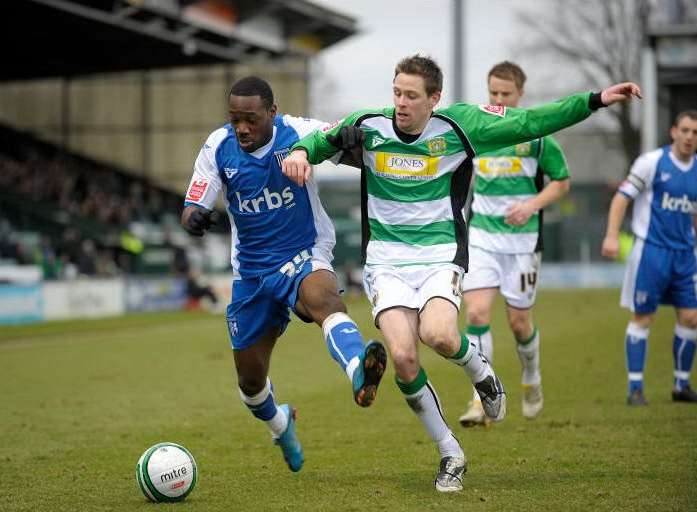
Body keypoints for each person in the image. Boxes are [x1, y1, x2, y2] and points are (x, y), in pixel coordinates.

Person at [282, 54, 641, 492]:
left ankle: (480, 371)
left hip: (439, 256)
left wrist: (596, 99)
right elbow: (318, 142)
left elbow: (531, 123)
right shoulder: (368, 126)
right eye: (397, 93)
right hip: (387, 262)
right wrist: (301, 152)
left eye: (412, 96)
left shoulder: (459, 127)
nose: (401, 103)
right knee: (403, 356)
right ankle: (450, 453)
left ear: (435, 99)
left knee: (440, 336)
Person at [180, 76, 388, 473]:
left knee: (323, 300)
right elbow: (192, 202)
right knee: (251, 383)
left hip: (303, 252)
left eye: (251, 119)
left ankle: (360, 367)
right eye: (235, 118)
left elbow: (349, 147)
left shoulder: (300, 133)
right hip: (252, 273)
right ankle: (281, 424)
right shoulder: (218, 146)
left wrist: (351, 140)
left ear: (272, 113)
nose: (242, 127)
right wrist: (194, 218)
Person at [458, 61, 571, 427]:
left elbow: (562, 181)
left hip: (522, 245)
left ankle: (532, 377)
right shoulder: (478, 133)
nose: (499, 100)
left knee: (520, 323)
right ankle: (480, 397)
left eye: (506, 94)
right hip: (482, 238)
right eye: (493, 93)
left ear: (520, 94)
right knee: (475, 314)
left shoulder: (538, 136)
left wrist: (532, 205)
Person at [601, 110, 697, 406]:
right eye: (685, 130)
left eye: (695, 133)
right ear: (673, 132)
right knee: (643, 317)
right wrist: (612, 235)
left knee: (691, 318)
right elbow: (621, 198)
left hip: (686, 254)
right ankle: (635, 389)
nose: (690, 137)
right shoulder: (651, 163)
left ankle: (681, 385)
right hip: (651, 252)